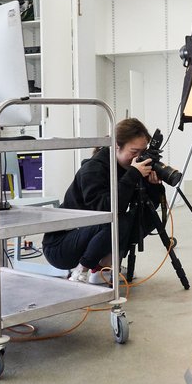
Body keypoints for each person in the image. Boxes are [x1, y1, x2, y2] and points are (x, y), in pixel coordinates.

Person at [42, 118, 165, 284]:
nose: (139, 158)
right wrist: (132, 176)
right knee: (117, 220)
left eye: (143, 152)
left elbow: (147, 207)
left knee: (147, 218)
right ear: (116, 146)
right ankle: (82, 269)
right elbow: (105, 210)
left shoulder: (129, 167)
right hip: (61, 245)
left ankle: (104, 267)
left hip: (92, 234)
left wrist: (153, 186)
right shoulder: (93, 169)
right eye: (134, 152)